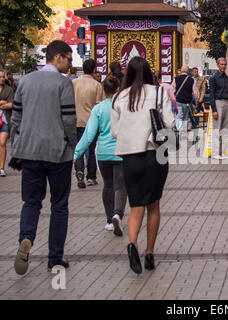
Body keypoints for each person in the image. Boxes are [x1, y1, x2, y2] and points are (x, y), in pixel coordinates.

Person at [11, 40, 76, 275]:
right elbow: (69, 119)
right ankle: (55, 258)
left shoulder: (25, 81)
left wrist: (16, 147)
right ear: (57, 57)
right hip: (57, 153)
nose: (69, 65)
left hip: (29, 152)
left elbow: (16, 118)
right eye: (68, 59)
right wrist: (72, 144)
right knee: (59, 204)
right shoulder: (63, 83)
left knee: (31, 202)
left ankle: (26, 238)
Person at [111, 56, 174, 274]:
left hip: (130, 157)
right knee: (154, 205)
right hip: (155, 155)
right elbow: (171, 123)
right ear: (148, 72)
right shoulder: (158, 92)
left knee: (135, 205)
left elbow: (114, 131)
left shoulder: (119, 97)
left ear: (127, 73)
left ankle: (132, 244)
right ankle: (149, 253)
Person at [74, 75, 127, 236]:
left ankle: (110, 221)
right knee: (120, 186)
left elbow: (89, 135)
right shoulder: (124, 106)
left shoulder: (97, 109)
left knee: (108, 186)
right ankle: (118, 213)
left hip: (103, 153)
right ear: (118, 89)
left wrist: (77, 152)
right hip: (121, 152)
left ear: (103, 90)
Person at [72, 59, 105, 188]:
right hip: (91, 122)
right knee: (91, 150)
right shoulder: (97, 85)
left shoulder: (74, 83)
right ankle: (91, 176)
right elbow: (99, 106)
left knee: (78, 147)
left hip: (76, 121)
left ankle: (79, 171)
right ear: (93, 70)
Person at [209, 57, 228, 159]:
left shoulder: (227, 78)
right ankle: (215, 153)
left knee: (225, 129)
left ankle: (223, 152)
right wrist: (214, 109)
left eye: (225, 64)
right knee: (217, 129)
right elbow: (211, 94)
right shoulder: (213, 78)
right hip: (218, 103)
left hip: (227, 103)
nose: (223, 66)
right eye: (221, 64)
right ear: (218, 65)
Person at [174, 65, 194, 139]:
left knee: (179, 117)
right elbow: (195, 91)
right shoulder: (191, 80)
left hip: (178, 101)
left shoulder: (176, 79)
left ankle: (180, 133)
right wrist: (196, 100)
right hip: (187, 102)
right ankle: (183, 135)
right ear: (188, 71)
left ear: (181, 71)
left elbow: (173, 89)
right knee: (185, 118)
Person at [0, 70, 14, 176]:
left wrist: (5, 104)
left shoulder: (9, 89)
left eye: (3, 77)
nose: (2, 79)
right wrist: (2, 102)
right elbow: (7, 103)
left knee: (2, 143)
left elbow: (11, 105)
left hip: (4, 120)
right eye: (0, 77)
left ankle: (1, 168)